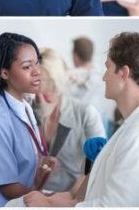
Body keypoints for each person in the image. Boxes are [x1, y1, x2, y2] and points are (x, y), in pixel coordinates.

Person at [23, 32, 139, 207]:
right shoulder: (137, 126)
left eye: (107, 68)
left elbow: (115, 206)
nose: (104, 77)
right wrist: (67, 200)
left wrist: (53, 206)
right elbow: (101, 184)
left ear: (124, 73)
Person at [0, 33, 59, 206]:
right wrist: (47, 201)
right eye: (26, 67)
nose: (37, 71)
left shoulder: (24, 106)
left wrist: (43, 171)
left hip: (21, 198)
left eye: (37, 63)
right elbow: (9, 189)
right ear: (4, 73)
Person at [34, 48, 106, 194]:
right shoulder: (26, 112)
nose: (40, 92)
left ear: (57, 80)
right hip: (32, 193)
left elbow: (99, 166)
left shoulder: (85, 113)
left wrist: (69, 199)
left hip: (71, 195)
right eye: (35, 82)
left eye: (47, 83)